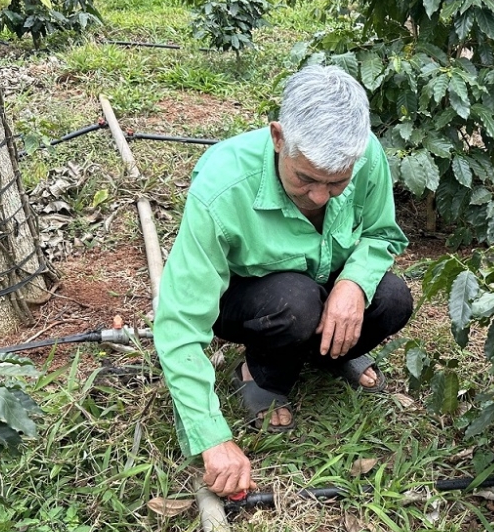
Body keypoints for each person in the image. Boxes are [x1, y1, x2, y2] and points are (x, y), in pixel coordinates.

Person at [154, 65, 413, 498]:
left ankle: (329, 356)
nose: (320, 196)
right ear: (278, 137)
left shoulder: (366, 154)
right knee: (296, 303)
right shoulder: (222, 186)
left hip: (324, 280)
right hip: (253, 299)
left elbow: (380, 233)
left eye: (337, 183)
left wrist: (353, 283)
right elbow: (180, 321)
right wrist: (211, 437)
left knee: (391, 298)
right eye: (305, 178)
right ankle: (260, 374)